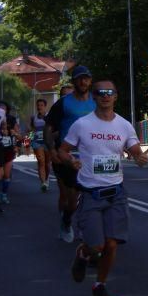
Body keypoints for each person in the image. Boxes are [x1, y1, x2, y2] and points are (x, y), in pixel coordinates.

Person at [58, 80, 148, 296]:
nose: (105, 96)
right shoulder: (82, 124)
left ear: (116, 96)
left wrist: (140, 157)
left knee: (111, 244)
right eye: (100, 92)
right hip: (91, 193)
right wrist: (70, 160)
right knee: (96, 246)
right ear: (94, 97)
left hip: (116, 193)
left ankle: (100, 284)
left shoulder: (124, 125)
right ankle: (83, 253)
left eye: (110, 92)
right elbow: (63, 150)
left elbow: (135, 149)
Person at [45, 67, 95, 242]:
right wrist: (52, 149)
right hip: (67, 155)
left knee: (91, 195)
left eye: (86, 78)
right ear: (74, 81)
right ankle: (66, 221)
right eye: (79, 78)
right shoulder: (63, 103)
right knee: (72, 199)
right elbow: (49, 128)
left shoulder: (97, 101)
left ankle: (83, 226)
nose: (83, 82)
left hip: (91, 156)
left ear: (90, 80)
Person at [0, 101, 21, 205]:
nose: (1, 110)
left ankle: (4, 194)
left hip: (8, 149)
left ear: (7, 110)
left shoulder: (11, 119)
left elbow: (19, 136)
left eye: (4, 108)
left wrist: (14, 134)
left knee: (6, 174)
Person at [30, 98, 51, 191]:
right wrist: (27, 143)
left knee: (47, 164)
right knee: (41, 161)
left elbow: (53, 128)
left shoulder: (49, 116)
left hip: (47, 142)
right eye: (38, 105)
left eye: (41, 105)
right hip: (37, 142)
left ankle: (47, 178)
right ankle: (43, 183)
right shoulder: (33, 117)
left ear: (45, 106)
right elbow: (31, 130)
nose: (39, 107)